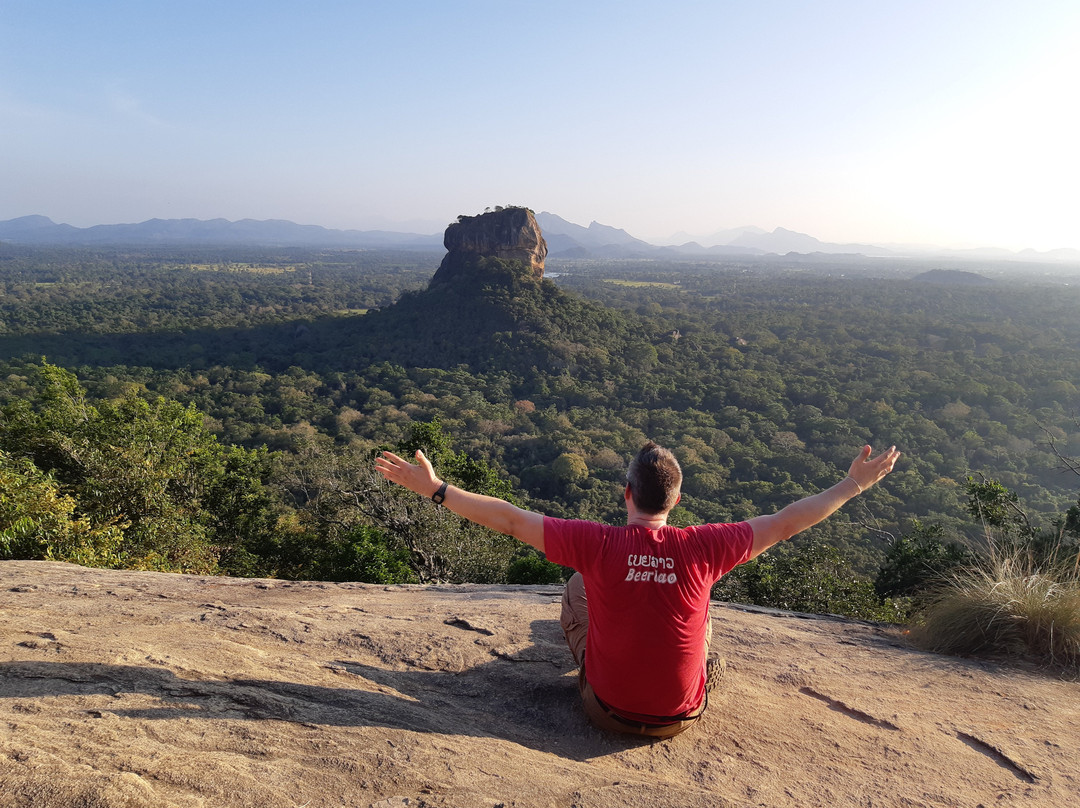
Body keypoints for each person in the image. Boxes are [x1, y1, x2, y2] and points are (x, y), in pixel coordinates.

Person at [375, 441, 900, 739]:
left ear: (626, 494)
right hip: (682, 717)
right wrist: (852, 483)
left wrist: (437, 488)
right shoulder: (706, 547)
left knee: (578, 588)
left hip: (605, 710)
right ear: (676, 498)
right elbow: (786, 521)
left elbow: (511, 520)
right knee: (704, 612)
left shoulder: (598, 543)